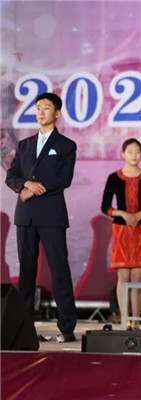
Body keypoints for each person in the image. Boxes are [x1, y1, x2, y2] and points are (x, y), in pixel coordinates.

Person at [5, 92, 78, 342]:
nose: (40, 112)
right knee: (26, 271)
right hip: (25, 215)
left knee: (59, 269)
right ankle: (24, 328)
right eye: (38, 107)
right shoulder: (24, 145)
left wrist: (35, 188)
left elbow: (64, 179)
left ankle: (67, 327)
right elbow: (11, 175)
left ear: (57, 113)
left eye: (46, 108)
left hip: (51, 215)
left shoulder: (66, 145)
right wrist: (24, 185)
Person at [101, 138, 141, 331]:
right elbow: (105, 207)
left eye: (138, 151)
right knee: (123, 276)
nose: (134, 155)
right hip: (121, 230)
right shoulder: (114, 177)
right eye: (130, 152)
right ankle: (124, 319)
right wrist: (122, 214)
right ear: (123, 154)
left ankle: (135, 321)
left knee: (138, 276)